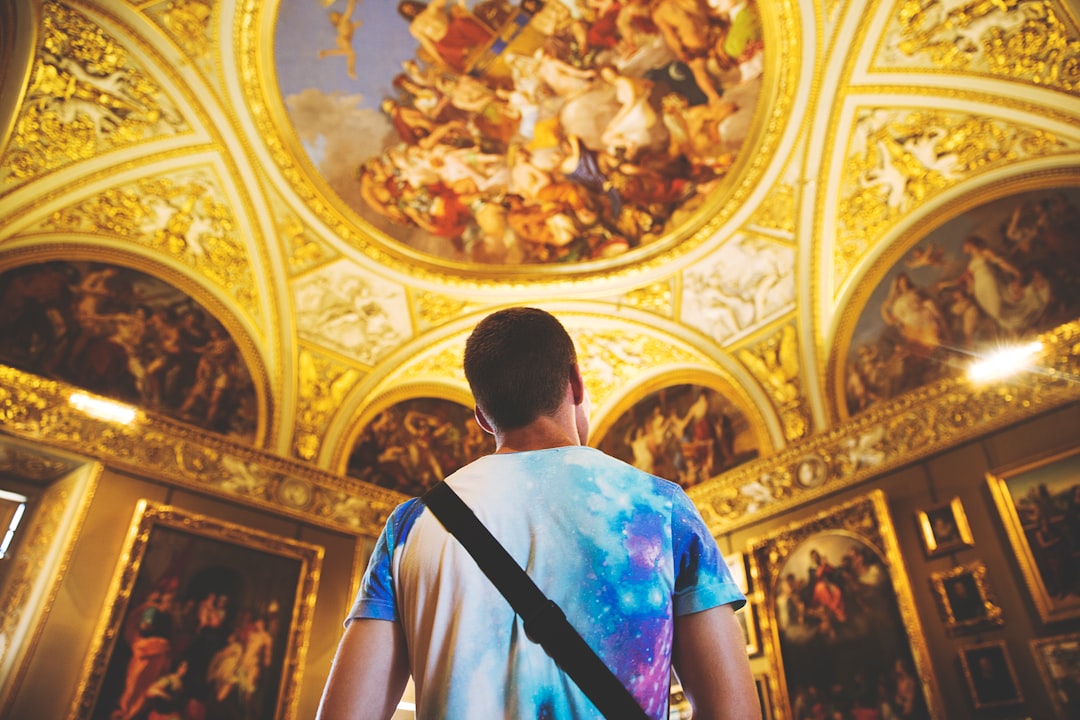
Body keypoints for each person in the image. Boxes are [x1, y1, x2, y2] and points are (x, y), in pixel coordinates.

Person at [317, 307, 757, 719]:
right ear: (576, 383)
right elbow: (733, 712)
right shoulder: (661, 507)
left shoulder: (411, 525)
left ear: (483, 417)